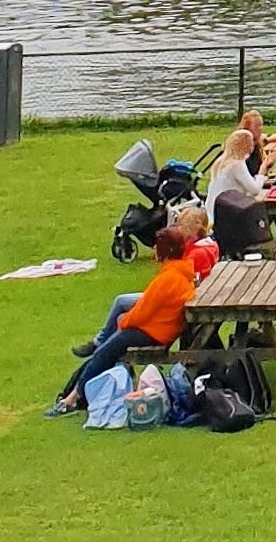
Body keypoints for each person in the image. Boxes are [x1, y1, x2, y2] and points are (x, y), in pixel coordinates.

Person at [47, 227, 197, 415]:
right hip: (160, 329)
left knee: (104, 352)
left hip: (154, 333)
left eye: (156, 247)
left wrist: (123, 323)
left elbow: (142, 312)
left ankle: (72, 397)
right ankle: (72, 393)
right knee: (105, 350)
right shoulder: (182, 272)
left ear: (165, 250)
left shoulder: (168, 279)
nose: (153, 251)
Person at [205, 130, 264, 222]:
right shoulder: (237, 164)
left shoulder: (221, 161)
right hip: (226, 212)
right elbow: (255, 190)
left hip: (211, 210)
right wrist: (262, 171)